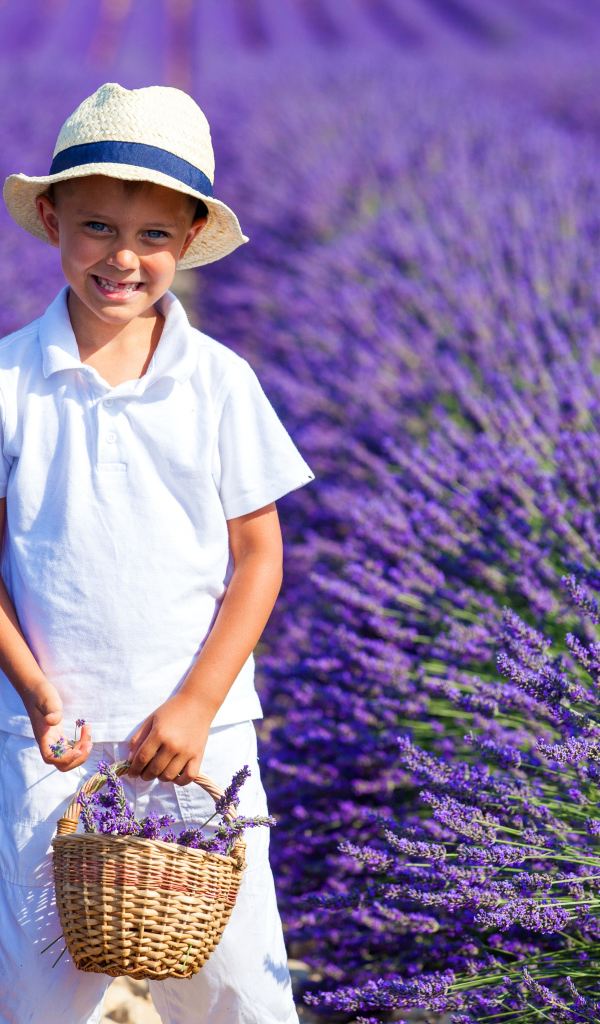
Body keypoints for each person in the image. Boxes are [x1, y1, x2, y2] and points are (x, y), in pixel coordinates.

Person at [0, 82, 313, 1024]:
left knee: (237, 993)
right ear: (51, 218)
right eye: (97, 227)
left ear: (187, 240)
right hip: (49, 742)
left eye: (153, 237)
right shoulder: (11, 379)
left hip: (201, 741)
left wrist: (195, 704)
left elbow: (259, 557)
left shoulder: (218, 382)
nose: (122, 258)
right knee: (37, 995)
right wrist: (38, 694)